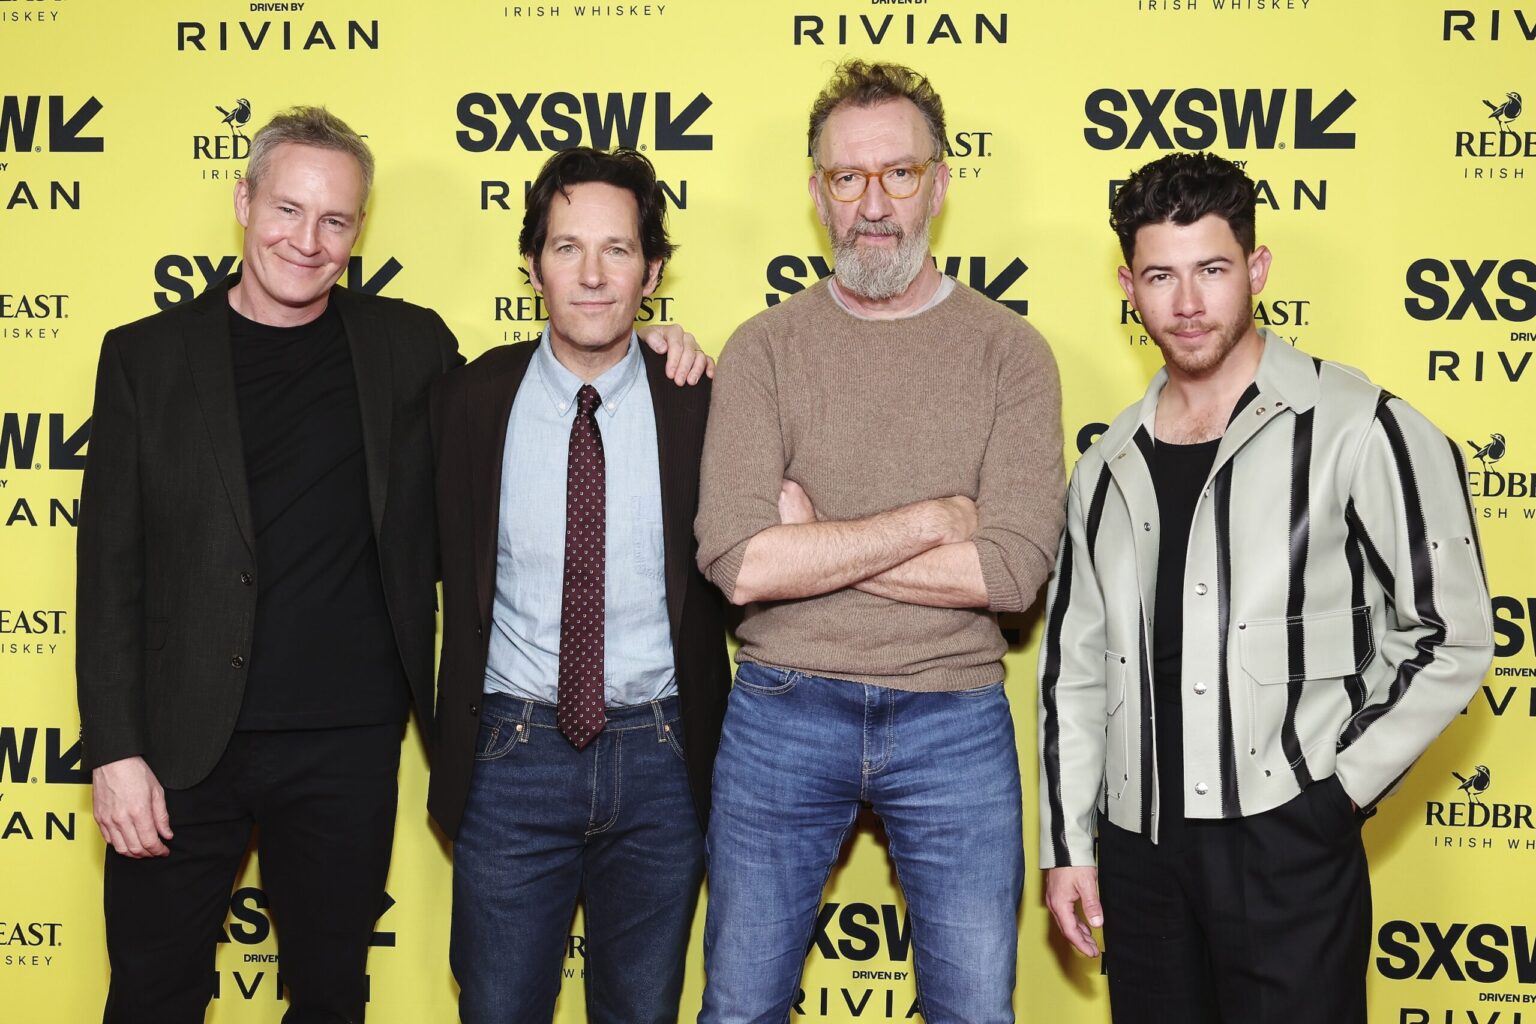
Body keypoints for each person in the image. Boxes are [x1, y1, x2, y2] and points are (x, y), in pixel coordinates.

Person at [76, 108, 710, 1024]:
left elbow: (572, 358)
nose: (307, 239)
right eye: (288, 210)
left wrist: (656, 343)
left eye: (335, 220)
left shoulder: (409, 350)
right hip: (178, 751)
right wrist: (116, 751)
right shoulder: (144, 358)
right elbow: (108, 574)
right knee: (150, 996)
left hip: (347, 748)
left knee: (334, 997)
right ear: (243, 200)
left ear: (358, 229)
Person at [1037, 151, 1494, 1023]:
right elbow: (1075, 667)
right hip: (1140, 854)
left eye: (1211, 269)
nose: (1187, 302)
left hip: (1287, 838)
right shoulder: (1104, 466)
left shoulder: (1362, 429)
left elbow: (1454, 636)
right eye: (1161, 276)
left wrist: (1335, 795)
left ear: (1257, 268)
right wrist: (1070, 846)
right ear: (1129, 286)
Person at [693, 60, 1065, 1023]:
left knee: (977, 1010)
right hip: (782, 707)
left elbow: (1013, 571)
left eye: (899, 174)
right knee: (738, 1007)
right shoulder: (762, 349)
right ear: (817, 193)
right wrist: (932, 521)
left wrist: (817, 541)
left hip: (956, 716)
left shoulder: (1012, 354)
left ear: (940, 183)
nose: (873, 204)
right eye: (847, 178)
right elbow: (741, 562)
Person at [427, 146, 730, 1024]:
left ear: (653, 269)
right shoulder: (464, 401)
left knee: (643, 1011)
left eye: (618, 250)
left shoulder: (705, 403)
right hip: (509, 758)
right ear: (531, 264)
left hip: (665, 760)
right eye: (567, 248)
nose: (593, 275)